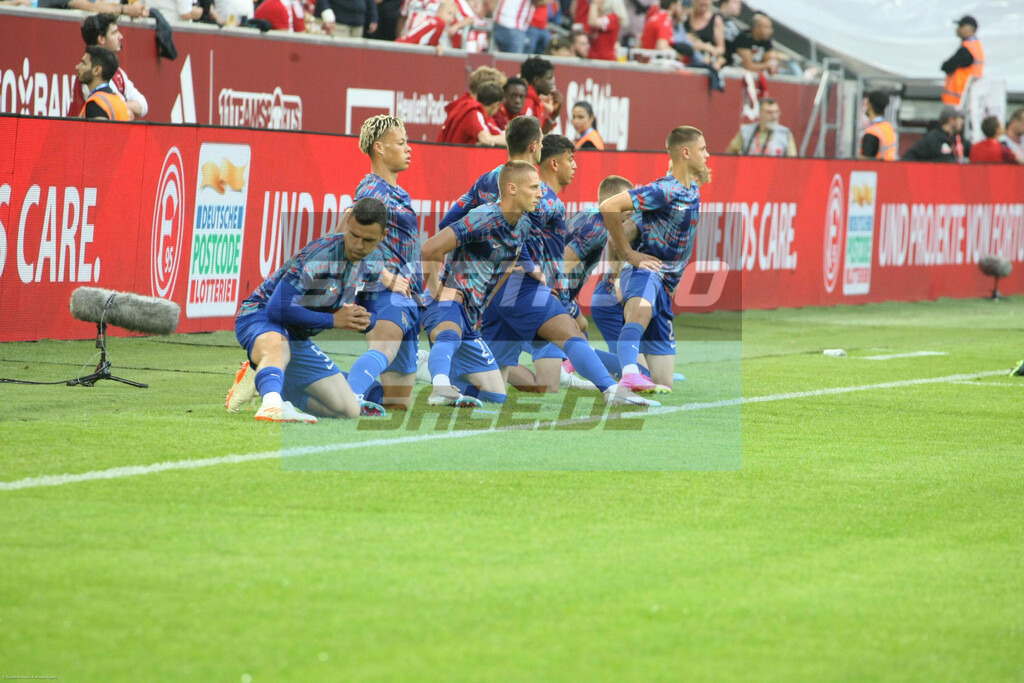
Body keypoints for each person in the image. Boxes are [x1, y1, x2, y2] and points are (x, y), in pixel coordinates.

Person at [228, 198, 390, 423]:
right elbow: (278, 309)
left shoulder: (375, 261)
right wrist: (334, 321)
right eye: (353, 235)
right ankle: (272, 404)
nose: (358, 245)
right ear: (349, 223)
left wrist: (363, 320)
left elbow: (370, 313)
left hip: (297, 334)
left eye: (368, 240)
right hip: (261, 315)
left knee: (349, 410)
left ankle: (269, 380)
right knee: (280, 346)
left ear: (383, 236)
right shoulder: (321, 255)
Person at [419, 161, 543, 406]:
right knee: (449, 335)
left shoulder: (525, 223)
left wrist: (481, 309)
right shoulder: (482, 218)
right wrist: (437, 290)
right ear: (512, 189)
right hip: (447, 304)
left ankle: (443, 377)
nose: (541, 194)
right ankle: (438, 382)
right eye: (534, 187)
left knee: (497, 395)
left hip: (471, 315)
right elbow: (429, 248)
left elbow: (508, 265)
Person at [600, 125, 708, 392]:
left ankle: (579, 357)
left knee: (662, 382)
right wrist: (628, 255)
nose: (707, 154)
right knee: (639, 315)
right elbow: (609, 207)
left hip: (666, 285)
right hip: (646, 272)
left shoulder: (691, 189)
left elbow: (629, 230)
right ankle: (627, 373)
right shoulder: (663, 190)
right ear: (686, 152)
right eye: (702, 149)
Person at [490, 134, 580, 394]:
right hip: (526, 292)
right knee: (545, 384)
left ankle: (469, 359)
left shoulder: (538, 196)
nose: (575, 166)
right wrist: (530, 269)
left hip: (536, 290)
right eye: (571, 159)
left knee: (544, 386)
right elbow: (511, 234)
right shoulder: (544, 202)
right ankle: (613, 385)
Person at [346, 116, 423, 411]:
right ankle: (349, 397)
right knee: (383, 350)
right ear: (379, 148)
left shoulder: (394, 191)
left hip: (408, 296)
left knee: (397, 404)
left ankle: (332, 387)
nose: (409, 149)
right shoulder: (372, 191)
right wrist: (387, 276)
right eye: (401, 142)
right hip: (384, 292)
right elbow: (352, 239)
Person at [440, 116, 543, 231]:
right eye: (541, 142)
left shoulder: (485, 180)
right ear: (533, 146)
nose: (542, 146)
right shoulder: (539, 192)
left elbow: (447, 223)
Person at [67, 14, 148, 120]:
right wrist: (122, 107)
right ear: (101, 39)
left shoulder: (119, 73)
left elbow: (143, 105)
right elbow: (122, 114)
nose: (120, 36)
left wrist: (119, 106)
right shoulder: (88, 78)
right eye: (114, 32)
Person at [437, 82, 506, 146]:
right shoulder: (473, 113)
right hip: (457, 156)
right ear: (496, 105)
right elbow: (486, 139)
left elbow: (500, 135)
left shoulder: (466, 108)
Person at [725, 97, 796, 156]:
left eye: (776, 112)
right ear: (760, 112)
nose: (774, 116)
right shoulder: (746, 131)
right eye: (769, 112)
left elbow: (792, 161)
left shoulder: (785, 134)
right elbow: (729, 153)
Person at [75, 47, 131, 121]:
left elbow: (99, 132)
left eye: (84, 63)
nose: (77, 67)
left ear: (97, 70)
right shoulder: (120, 102)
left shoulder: (95, 104)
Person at [941, 15, 984, 107]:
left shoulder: (967, 48)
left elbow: (947, 66)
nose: (958, 29)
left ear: (970, 29)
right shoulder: (976, 46)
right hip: (968, 96)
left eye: (961, 26)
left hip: (958, 98)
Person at [519, 55, 562, 133]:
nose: (553, 83)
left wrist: (555, 113)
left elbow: (538, 135)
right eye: (549, 78)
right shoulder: (527, 102)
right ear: (536, 80)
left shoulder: (535, 100)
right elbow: (524, 138)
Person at [684, 0, 724, 69]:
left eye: (706, 2)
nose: (703, 4)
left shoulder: (716, 20)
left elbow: (721, 48)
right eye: (701, 2)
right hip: (686, 59)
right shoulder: (686, 16)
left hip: (705, 62)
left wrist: (712, 51)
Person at [860, 90, 896, 161]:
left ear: (870, 106)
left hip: (877, 169)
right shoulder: (888, 127)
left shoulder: (872, 132)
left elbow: (865, 161)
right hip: (889, 168)